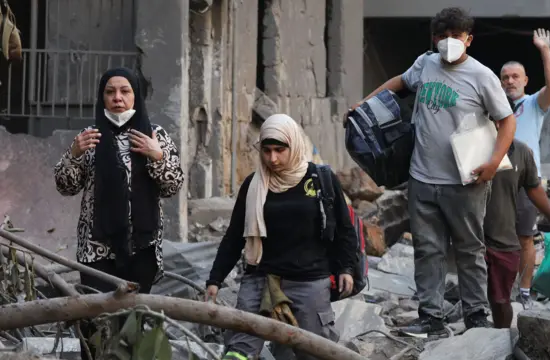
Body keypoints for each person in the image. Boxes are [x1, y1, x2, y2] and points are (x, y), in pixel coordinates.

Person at [348, 7, 516, 337]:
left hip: (464, 181)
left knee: (469, 250)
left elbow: (507, 120)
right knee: (428, 250)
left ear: (469, 39)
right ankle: (431, 317)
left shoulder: (482, 76)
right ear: (434, 39)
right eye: (442, 36)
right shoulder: (425, 64)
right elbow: (399, 82)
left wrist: (494, 162)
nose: (449, 42)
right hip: (422, 178)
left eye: (456, 36)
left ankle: (476, 316)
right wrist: (363, 105)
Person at [53, 67, 184, 360]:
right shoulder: (90, 137)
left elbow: (172, 185)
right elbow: (65, 186)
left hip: (142, 249)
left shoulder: (155, 134)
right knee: (95, 324)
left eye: (125, 91)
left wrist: (158, 156)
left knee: (134, 327)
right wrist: (73, 154)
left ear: (135, 95)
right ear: (102, 97)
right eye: (110, 92)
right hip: (97, 250)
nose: (117, 98)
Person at [205, 114, 357, 360]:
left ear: (294, 145)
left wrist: (346, 268)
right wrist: (215, 279)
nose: (272, 159)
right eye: (266, 151)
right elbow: (234, 236)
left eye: (279, 150)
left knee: (314, 351)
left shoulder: (321, 180)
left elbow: (344, 229)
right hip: (260, 279)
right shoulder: (254, 185)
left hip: (308, 281)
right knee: (239, 351)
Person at [500, 28, 550, 309]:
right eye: (505, 78)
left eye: (515, 77)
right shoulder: (494, 108)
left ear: (525, 80)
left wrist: (544, 50)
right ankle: (499, 292)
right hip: (496, 181)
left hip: (527, 182)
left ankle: (523, 292)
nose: (510, 81)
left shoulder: (534, 104)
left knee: (525, 237)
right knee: (495, 238)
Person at [484, 137, 550, 328]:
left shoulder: (521, 151)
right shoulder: (471, 144)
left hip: (502, 239)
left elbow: (534, 188)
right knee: (475, 303)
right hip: (472, 237)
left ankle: (503, 334)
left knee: (500, 300)